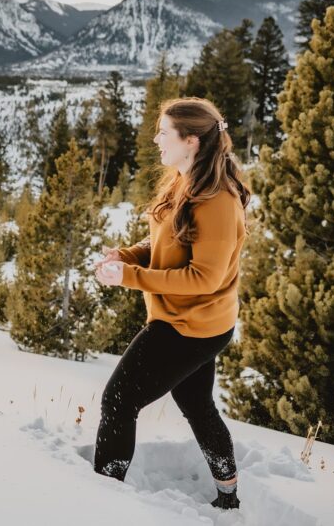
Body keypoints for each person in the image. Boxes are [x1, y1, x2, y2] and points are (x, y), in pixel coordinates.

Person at [93, 97, 249, 510]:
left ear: (191, 141)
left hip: (191, 326)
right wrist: (127, 256)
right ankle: (228, 496)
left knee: (118, 402)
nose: (156, 139)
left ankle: (99, 497)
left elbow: (204, 278)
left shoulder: (217, 200)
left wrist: (130, 277)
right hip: (188, 320)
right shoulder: (184, 181)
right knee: (196, 404)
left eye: (164, 132)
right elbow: (166, 242)